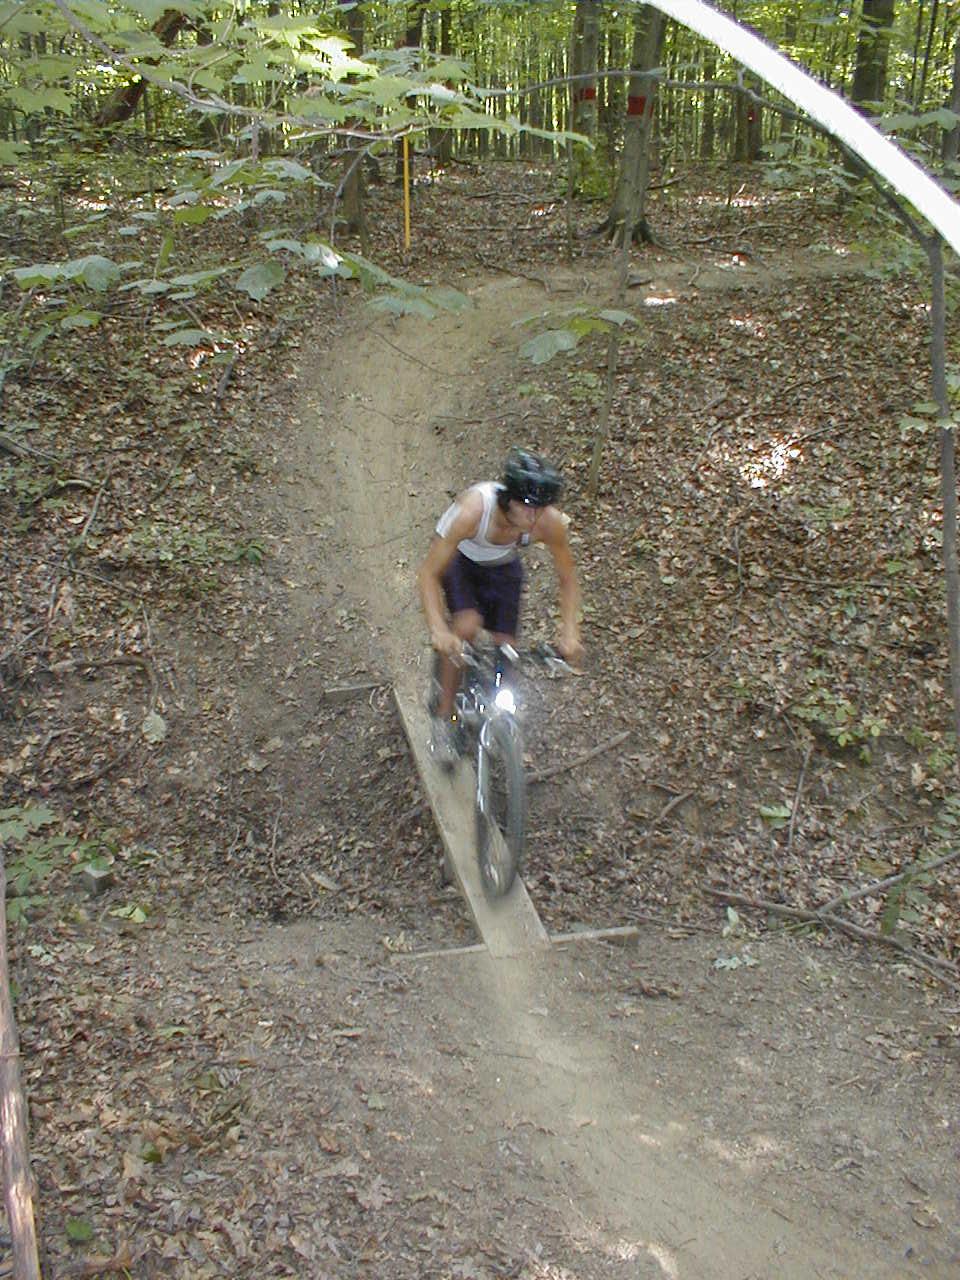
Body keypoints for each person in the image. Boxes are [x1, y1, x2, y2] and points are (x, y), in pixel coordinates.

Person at [418, 447, 584, 768]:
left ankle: (497, 719)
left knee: (506, 648)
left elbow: (568, 579)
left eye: (541, 508)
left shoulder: (546, 523)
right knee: (465, 626)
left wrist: (570, 632)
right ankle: (444, 716)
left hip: (502, 567)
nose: (534, 518)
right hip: (460, 563)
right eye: (527, 507)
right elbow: (427, 573)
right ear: (508, 498)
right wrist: (439, 629)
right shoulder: (473, 511)